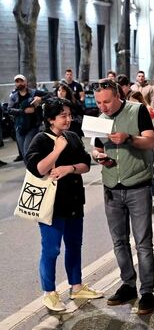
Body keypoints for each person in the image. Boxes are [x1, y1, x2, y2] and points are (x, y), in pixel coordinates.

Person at [25, 98, 102, 312]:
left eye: (69, 115)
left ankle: (76, 286)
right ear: (50, 119)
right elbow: (37, 168)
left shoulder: (73, 137)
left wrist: (69, 168)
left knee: (75, 245)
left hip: (75, 202)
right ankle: (49, 293)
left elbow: (86, 164)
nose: (68, 119)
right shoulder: (40, 140)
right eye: (63, 116)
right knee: (51, 250)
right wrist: (57, 151)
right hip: (52, 206)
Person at [92, 79, 154, 315]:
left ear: (118, 95)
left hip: (138, 185)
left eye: (107, 101)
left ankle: (147, 291)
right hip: (111, 187)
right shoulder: (99, 120)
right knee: (119, 241)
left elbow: (150, 142)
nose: (103, 107)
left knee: (143, 243)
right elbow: (96, 147)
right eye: (99, 102)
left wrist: (128, 138)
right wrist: (98, 155)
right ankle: (128, 284)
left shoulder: (137, 110)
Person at [8, 74, 50, 162]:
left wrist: (40, 99)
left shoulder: (34, 92)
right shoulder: (13, 96)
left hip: (33, 126)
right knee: (24, 154)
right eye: (17, 81)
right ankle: (31, 171)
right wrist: (23, 111)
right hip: (19, 127)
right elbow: (9, 110)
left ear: (26, 82)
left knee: (27, 150)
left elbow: (50, 95)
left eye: (21, 81)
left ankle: (35, 170)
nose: (19, 83)